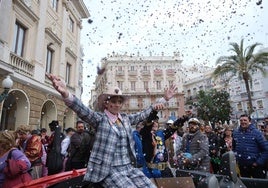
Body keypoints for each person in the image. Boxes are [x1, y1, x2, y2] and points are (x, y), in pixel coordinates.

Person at [46, 73, 177, 188]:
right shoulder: (100, 119)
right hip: (109, 171)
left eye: (120, 101)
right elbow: (82, 110)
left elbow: (143, 114)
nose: (117, 104)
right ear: (106, 104)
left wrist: (164, 99)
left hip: (129, 168)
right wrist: (65, 93)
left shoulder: (125, 119)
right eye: (113, 101)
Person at [140, 111, 189, 178]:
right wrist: (154, 112)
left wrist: (183, 119)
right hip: (151, 171)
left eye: (157, 121)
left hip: (164, 171)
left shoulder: (161, 134)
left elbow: (172, 128)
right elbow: (147, 127)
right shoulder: (145, 133)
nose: (155, 123)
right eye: (153, 121)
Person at [232, 114, 268, 179]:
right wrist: (236, 158)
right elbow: (234, 148)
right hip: (242, 166)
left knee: (259, 185)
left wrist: (258, 162)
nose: (243, 122)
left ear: (249, 121)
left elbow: (266, 149)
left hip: (256, 166)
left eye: (245, 120)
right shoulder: (235, 133)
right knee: (246, 184)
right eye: (241, 120)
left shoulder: (257, 133)